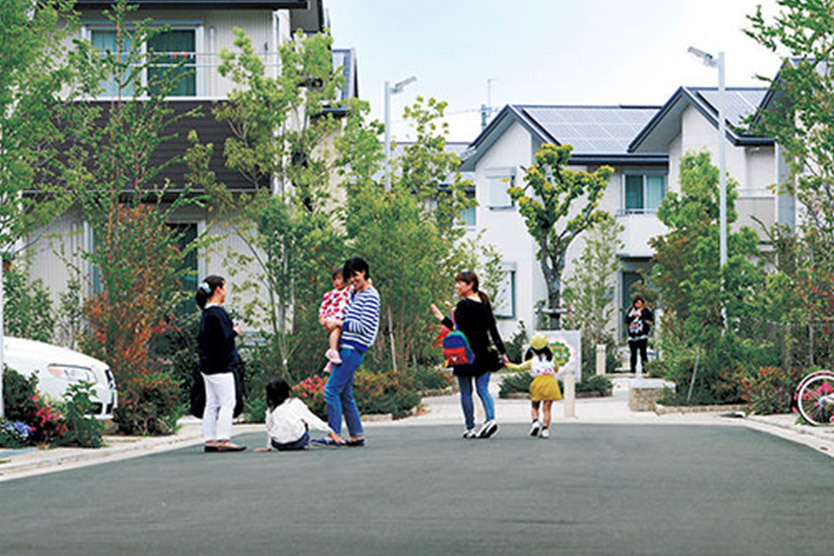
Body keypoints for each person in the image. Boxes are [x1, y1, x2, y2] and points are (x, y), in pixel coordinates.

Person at [431, 270, 509, 439]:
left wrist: (441, 317)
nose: (457, 286)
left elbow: (456, 328)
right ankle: (490, 419)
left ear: (470, 285)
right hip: (484, 353)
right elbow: (493, 330)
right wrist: (503, 353)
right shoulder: (484, 304)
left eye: (460, 283)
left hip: (464, 354)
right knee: (483, 389)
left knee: (466, 392)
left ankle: (470, 428)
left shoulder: (463, 305)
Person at [312, 257, 380, 448]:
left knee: (331, 390)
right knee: (345, 394)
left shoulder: (371, 296)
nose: (352, 280)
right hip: (345, 347)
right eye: (349, 277)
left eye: (355, 275)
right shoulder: (355, 293)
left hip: (353, 348)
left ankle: (334, 435)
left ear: (364, 272)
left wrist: (339, 323)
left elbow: (364, 326)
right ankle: (356, 435)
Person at [196, 275, 246, 452]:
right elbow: (223, 338)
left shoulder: (206, 313)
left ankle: (210, 438)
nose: (225, 291)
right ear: (218, 290)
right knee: (227, 402)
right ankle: (224, 438)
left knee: (212, 403)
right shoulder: (217, 313)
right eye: (224, 288)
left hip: (207, 364)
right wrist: (235, 332)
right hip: (221, 364)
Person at [254, 379, 341, 452]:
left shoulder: (270, 409)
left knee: (277, 426)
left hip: (279, 444)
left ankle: (290, 442)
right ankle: (304, 444)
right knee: (304, 420)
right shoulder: (295, 402)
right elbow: (312, 418)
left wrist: (268, 446)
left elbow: (269, 427)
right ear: (288, 391)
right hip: (297, 442)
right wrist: (331, 431)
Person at [505, 333, 562, 439]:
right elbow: (556, 369)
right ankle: (545, 430)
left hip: (538, 383)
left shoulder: (532, 362)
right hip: (551, 383)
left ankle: (535, 422)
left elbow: (518, 368)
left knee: (535, 406)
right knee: (547, 409)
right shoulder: (552, 360)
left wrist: (507, 364)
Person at [318, 267, 353, 367]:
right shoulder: (330, 294)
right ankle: (333, 351)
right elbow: (323, 307)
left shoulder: (348, 290)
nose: (336, 282)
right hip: (333, 318)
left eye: (339, 278)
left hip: (342, 318)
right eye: (334, 279)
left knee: (340, 339)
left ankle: (332, 361)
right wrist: (322, 318)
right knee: (336, 331)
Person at [626, 293, 654, 375]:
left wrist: (641, 317)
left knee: (643, 354)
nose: (637, 304)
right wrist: (633, 316)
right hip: (632, 335)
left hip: (642, 335)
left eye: (639, 303)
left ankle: (645, 370)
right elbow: (627, 321)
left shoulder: (646, 311)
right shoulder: (631, 311)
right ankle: (632, 370)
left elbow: (650, 321)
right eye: (636, 303)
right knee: (633, 354)